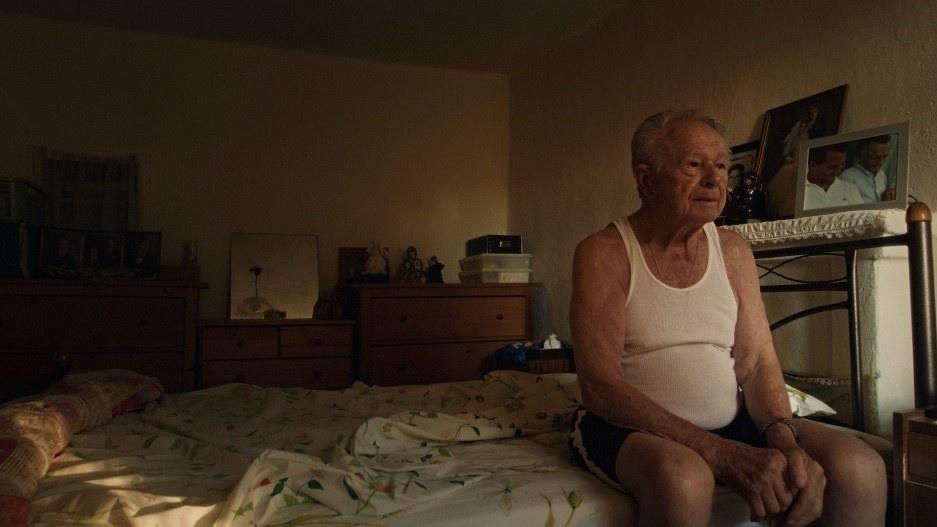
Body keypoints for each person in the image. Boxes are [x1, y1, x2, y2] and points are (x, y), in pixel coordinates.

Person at [569, 110, 885, 526]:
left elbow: (756, 365)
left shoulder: (734, 251)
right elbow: (600, 385)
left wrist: (783, 438)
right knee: (684, 478)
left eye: (720, 166)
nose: (715, 179)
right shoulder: (604, 252)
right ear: (645, 179)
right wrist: (716, 453)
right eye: (694, 165)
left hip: (733, 422)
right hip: (627, 428)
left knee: (860, 466)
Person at [803, 144, 863, 210]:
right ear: (813, 165)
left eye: (842, 165)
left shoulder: (851, 189)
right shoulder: (799, 191)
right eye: (832, 167)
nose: (838, 172)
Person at [838, 135, 893, 202]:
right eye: (876, 158)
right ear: (861, 154)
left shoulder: (882, 175)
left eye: (885, 156)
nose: (881, 162)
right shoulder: (847, 178)